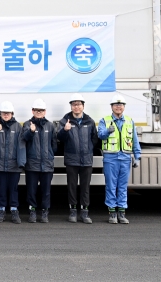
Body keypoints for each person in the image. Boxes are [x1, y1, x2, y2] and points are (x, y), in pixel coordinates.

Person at [97, 94, 141, 224]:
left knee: (122, 186)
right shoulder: (104, 120)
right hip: (110, 158)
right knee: (111, 186)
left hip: (125, 158)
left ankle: (122, 213)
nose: (118, 107)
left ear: (124, 107)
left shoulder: (129, 121)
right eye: (116, 105)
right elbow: (100, 135)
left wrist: (137, 156)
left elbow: (134, 140)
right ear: (111, 107)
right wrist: (107, 131)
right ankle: (112, 214)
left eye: (121, 105)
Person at [56, 93, 99, 224]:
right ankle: (73, 211)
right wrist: (65, 130)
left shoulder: (89, 121)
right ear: (71, 106)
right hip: (71, 159)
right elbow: (59, 138)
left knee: (85, 187)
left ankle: (85, 213)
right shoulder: (65, 121)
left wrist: (88, 150)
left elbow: (94, 139)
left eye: (79, 104)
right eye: (74, 104)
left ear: (83, 106)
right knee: (72, 186)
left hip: (86, 160)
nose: (76, 107)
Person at [21, 99, 57, 223]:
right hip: (32, 163)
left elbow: (54, 144)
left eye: (41, 110)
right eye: (36, 110)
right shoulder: (27, 124)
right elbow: (24, 139)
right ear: (32, 111)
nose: (39, 112)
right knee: (31, 190)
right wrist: (31, 131)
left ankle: (44, 212)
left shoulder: (50, 125)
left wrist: (50, 155)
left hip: (47, 164)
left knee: (46, 191)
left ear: (45, 111)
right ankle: (32, 211)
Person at [0, 101, 25, 224]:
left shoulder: (18, 127)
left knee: (13, 189)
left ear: (12, 114)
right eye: (4, 113)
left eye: (8, 113)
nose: (6, 115)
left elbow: (21, 145)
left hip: (14, 164)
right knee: (2, 189)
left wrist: (21, 162)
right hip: (0, 164)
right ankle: (1, 210)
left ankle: (14, 211)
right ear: (0, 114)